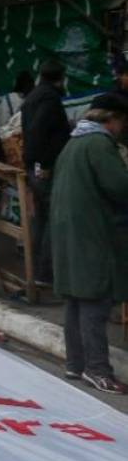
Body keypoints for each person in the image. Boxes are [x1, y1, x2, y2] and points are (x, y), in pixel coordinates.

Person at [51, 93, 128, 393]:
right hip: (91, 235)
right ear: (112, 120)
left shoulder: (73, 143)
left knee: (75, 300)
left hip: (68, 233)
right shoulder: (99, 144)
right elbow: (120, 187)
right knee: (94, 300)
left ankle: (75, 364)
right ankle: (97, 370)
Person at [22, 59, 71, 284]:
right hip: (45, 168)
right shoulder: (49, 99)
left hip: (36, 166)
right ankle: (45, 272)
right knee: (51, 219)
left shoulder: (33, 96)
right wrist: (46, 165)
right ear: (60, 78)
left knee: (40, 219)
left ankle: (35, 270)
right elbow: (40, 131)